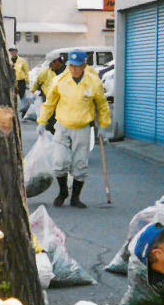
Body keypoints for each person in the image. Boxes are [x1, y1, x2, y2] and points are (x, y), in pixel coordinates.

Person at [36, 49, 112, 209]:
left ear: (84, 65)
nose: (74, 69)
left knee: (80, 164)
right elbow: (50, 103)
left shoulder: (93, 82)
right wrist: (42, 121)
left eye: (77, 66)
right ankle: (63, 191)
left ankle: (75, 198)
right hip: (62, 127)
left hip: (83, 128)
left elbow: (102, 105)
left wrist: (104, 126)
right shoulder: (60, 81)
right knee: (59, 162)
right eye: (71, 66)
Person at [31, 53, 67, 134]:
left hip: (63, 103)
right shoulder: (46, 73)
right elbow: (37, 83)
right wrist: (34, 91)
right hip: (49, 101)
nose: (50, 66)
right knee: (50, 125)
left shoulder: (67, 72)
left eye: (51, 63)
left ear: (57, 62)